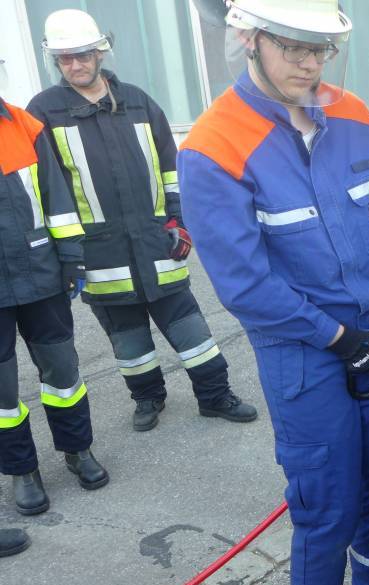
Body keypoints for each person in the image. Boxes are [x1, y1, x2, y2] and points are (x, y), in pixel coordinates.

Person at [178, 1, 369, 585]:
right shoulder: (213, 145)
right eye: (293, 47)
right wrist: (335, 337)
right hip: (303, 352)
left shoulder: (352, 117)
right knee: (326, 497)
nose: (309, 64)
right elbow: (245, 285)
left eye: (321, 49)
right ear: (250, 39)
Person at [27, 9, 257, 432]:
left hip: (156, 242)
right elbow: (47, 190)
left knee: (191, 329)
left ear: (100, 52)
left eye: (82, 55)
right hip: (100, 252)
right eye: (65, 58)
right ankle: (148, 398)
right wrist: (67, 255)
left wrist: (179, 222)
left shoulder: (137, 101)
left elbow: (172, 168)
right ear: (55, 61)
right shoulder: (43, 112)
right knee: (127, 339)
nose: (75, 65)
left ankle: (215, 395)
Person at [1, 74, 108, 516]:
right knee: (2, 393)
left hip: (40, 271)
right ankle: (22, 470)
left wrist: (71, 258)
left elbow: (57, 199)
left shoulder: (23, 126)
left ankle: (77, 449)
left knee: (62, 370)